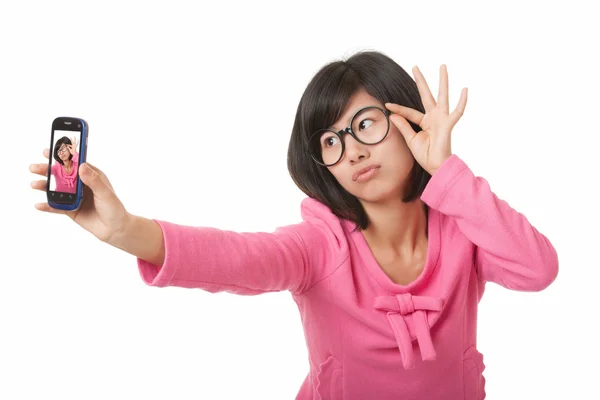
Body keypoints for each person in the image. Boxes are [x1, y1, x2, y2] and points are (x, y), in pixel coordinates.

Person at [29, 51, 559, 399]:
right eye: (331, 140)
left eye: (366, 124)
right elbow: (237, 257)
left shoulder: (464, 226)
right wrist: (125, 230)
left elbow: (538, 269)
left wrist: (448, 174)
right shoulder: (323, 245)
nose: (351, 150)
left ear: (411, 120)